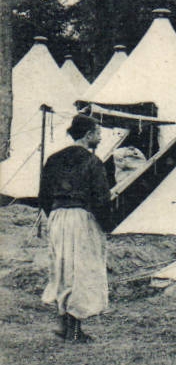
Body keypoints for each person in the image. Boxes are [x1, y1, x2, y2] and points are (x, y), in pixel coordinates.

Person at [40, 115, 111, 344]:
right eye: (97, 133)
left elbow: (43, 195)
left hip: (57, 217)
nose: (99, 137)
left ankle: (63, 325)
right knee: (79, 271)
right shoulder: (92, 162)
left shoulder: (53, 159)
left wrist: (55, 215)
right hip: (81, 218)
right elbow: (101, 198)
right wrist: (105, 224)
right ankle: (75, 331)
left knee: (61, 269)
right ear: (88, 135)